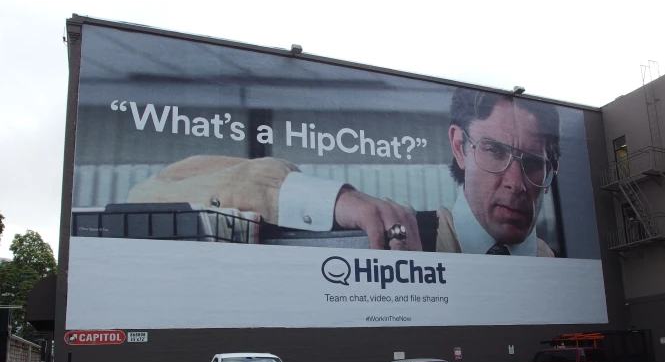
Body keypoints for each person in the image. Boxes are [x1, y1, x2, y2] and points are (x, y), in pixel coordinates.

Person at [126, 88, 561, 256]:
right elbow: (146, 198)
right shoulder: (391, 238)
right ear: (459, 146)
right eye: (494, 150)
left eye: (534, 162)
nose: (515, 182)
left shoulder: (549, 262)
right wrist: (332, 201)